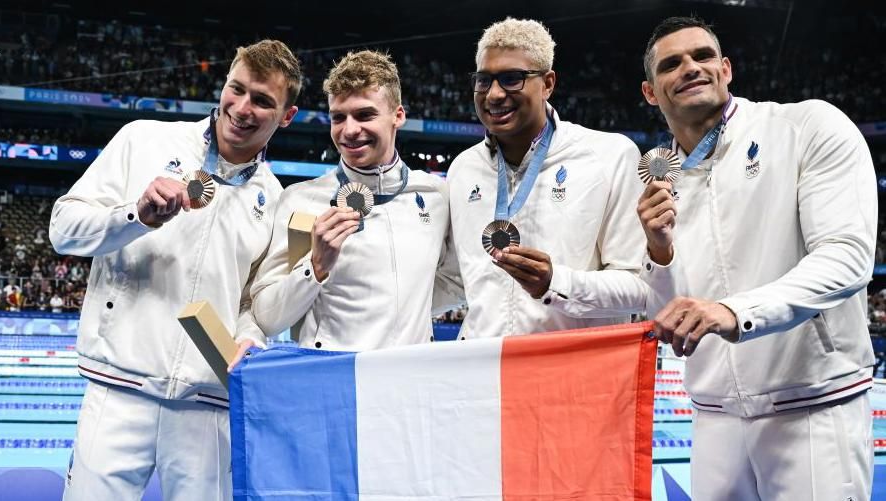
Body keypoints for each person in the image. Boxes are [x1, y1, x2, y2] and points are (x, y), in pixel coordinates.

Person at [49, 39, 302, 500]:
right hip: (119, 388)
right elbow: (63, 229)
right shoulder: (142, 139)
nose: (242, 108)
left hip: (206, 406)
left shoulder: (276, 197)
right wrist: (135, 215)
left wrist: (250, 338)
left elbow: (251, 304)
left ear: (286, 116)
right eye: (237, 89)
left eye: (263, 100)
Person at [637, 16, 876, 500]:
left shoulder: (807, 126)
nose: (690, 67)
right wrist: (658, 253)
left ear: (726, 69)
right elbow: (666, 308)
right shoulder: (661, 182)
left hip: (811, 407)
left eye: (703, 56)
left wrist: (734, 311)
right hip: (714, 415)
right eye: (671, 64)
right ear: (650, 92)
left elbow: (848, 257)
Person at [237, 50, 461, 355]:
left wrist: (402, 303)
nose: (350, 130)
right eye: (338, 117)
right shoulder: (300, 199)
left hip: (410, 380)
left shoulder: (436, 196)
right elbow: (267, 317)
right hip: (330, 380)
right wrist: (315, 267)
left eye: (365, 114)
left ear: (398, 115)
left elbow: (457, 280)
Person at [446, 18, 651, 339]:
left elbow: (640, 286)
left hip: (571, 373)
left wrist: (556, 283)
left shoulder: (609, 156)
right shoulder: (462, 169)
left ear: (548, 83)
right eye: (484, 80)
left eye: (512, 79)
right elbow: (458, 281)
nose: (494, 94)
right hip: (485, 372)